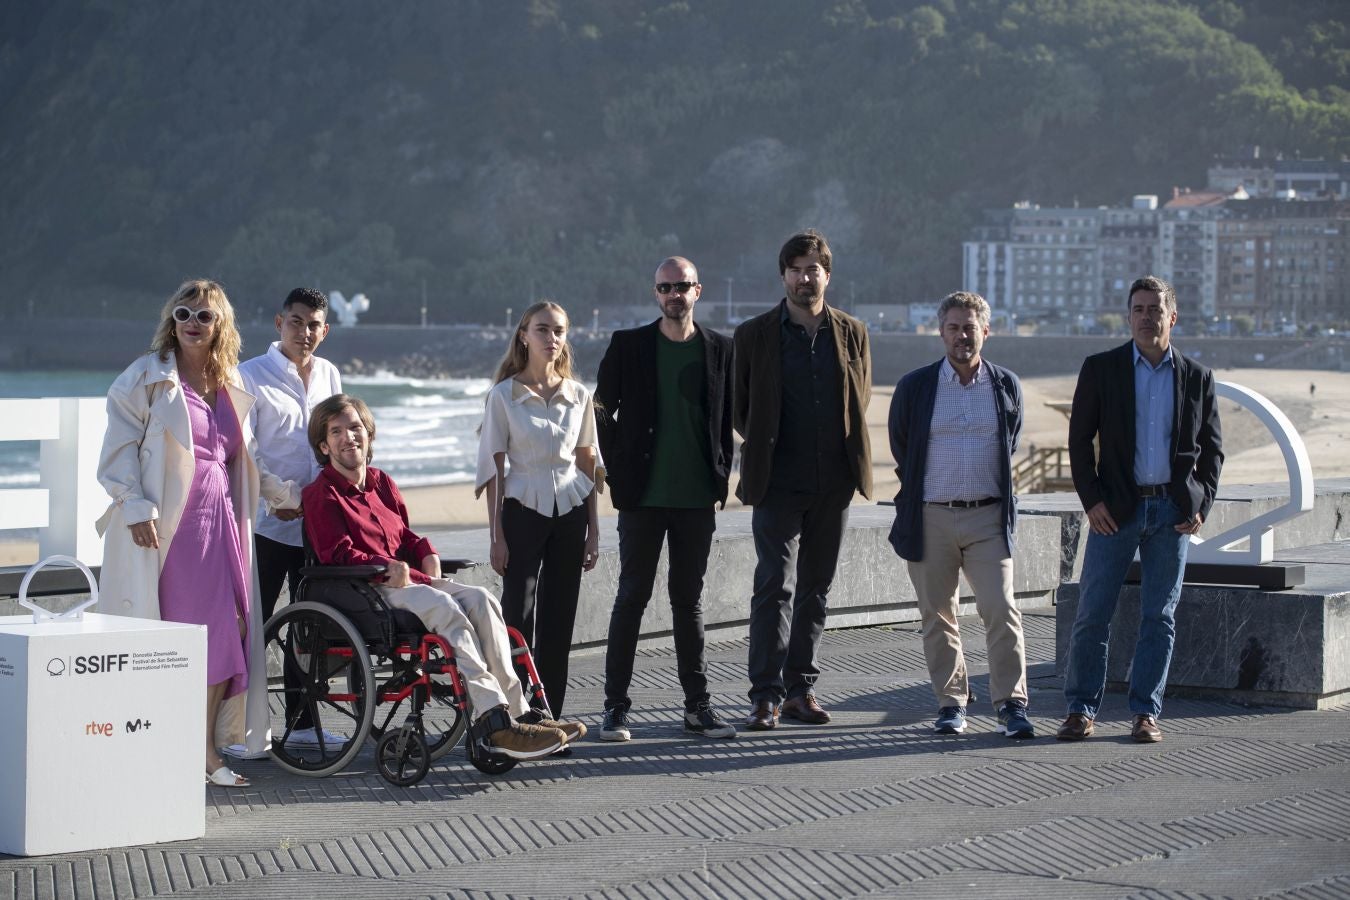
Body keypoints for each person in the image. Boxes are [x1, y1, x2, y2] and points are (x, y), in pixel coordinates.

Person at [95, 279, 300, 788]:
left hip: (221, 521)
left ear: (220, 326)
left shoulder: (230, 381)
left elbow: (242, 455)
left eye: (204, 316)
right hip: (167, 526)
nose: (192, 322)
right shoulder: (144, 378)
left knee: (226, 632)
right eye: (183, 313)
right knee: (176, 635)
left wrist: (282, 496)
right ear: (171, 319)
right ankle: (174, 746)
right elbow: (117, 452)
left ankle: (201, 747)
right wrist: (136, 506)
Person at [302, 394, 583, 758]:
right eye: (336, 432)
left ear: (368, 434)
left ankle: (519, 712)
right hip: (367, 589)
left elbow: (404, 535)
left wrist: (425, 551)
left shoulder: (380, 483)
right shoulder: (320, 495)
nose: (348, 437)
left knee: (482, 599)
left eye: (355, 427)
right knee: (441, 603)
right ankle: (493, 720)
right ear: (324, 446)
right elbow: (336, 553)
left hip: (409, 581)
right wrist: (385, 566)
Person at [1058, 276, 1223, 744]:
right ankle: (1080, 711)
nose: (1146, 316)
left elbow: (1212, 451)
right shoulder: (1101, 368)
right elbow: (1078, 441)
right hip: (1117, 510)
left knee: (1160, 616)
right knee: (1093, 612)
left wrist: (1201, 502)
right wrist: (1091, 502)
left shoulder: (1196, 376)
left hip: (1172, 513)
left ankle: (1146, 713)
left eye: (1155, 309)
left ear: (1173, 317)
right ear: (1128, 316)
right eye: (1138, 309)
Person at [733, 230, 873, 730]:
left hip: (834, 481)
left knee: (816, 588)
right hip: (776, 480)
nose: (803, 276)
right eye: (795, 268)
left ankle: (800, 690)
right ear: (783, 275)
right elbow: (739, 406)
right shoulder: (754, 335)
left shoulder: (852, 332)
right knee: (774, 583)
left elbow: (861, 396)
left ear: (827, 275)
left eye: (813, 268)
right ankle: (764, 696)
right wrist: (772, 442)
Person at [594, 256, 737, 742]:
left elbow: (732, 415)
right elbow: (599, 409)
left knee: (688, 602)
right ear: (655, 293)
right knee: (631, 597)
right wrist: (618, 466)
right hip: (642, 498)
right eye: (665, 287)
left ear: (699, 291)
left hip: (697, 497)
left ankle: (698, 707)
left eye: (683, 286)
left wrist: (726, 466)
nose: (674, 294)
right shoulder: (629, 345)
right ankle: (615, 709)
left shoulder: (721, 348)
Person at [888, 292, 1034, 739]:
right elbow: (902, 446)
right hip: (931, 516)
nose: (961, 336)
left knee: (1002, 610)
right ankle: (951, 704)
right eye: (953, 327)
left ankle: (1011, 704)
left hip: (988, 518)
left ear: (985, 331)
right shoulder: (916, 386)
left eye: (970, 327)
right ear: (941, 332)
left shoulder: (1005, 385)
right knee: (938, 616)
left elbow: (1009, 443)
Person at [476, 301, 601, 720]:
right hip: (522, 512)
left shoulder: (578, 395)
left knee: (560, 619)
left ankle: (549, 715)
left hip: (571, 513)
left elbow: (588, 464)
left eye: (559, 331)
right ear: (524, 335)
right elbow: (493, 468)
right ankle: (517, 712)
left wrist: (595, 532)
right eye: (542, 330)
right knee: (518, 616)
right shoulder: (503, 396)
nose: (552, 338)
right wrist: (496, 536)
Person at [236, 286, 343, 753]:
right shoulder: (248, 375)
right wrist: (278, 497)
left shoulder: (330, 374)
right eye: (297, 322)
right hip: (265, 522)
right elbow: (245, 450)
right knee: (250, 626)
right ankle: (234, 729)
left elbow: (336, 440)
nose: (305, 332)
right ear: (279, 323)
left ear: (325, 330)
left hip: (316, 524)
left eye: (314, 324)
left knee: (309, 627)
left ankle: (301, 724)